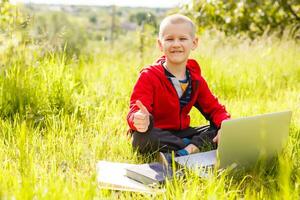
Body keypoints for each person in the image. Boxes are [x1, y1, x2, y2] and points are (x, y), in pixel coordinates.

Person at [126, 14, 230, 164]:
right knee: (141, 138)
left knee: (219, 129)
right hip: (156, 132)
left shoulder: (195, 79)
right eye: (169, 39)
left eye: (182, 39)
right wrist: (137, 119)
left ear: (194, 43)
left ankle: (184, 151)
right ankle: (192, 148)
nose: (176, 44)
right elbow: (135, 111)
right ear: (160, 45)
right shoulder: (149, 76)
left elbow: (215, 109)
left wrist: (224, 126)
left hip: (182, 133)